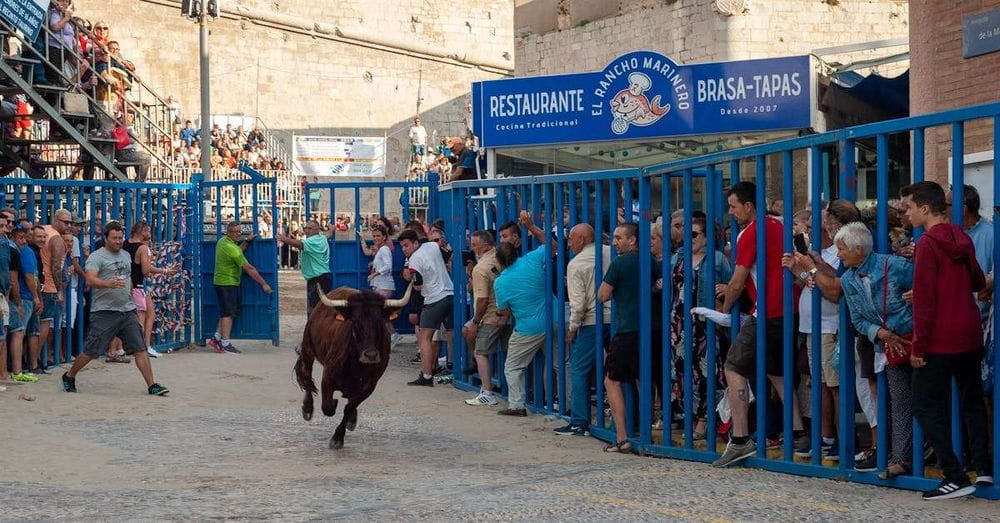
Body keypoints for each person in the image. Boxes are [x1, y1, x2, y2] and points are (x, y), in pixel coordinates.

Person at [901, 181, 993, 499]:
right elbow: (979, 281)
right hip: (970, 332)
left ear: (925, 208)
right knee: (971, 402)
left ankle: (954, 475)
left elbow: (925, 301)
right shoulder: (961, 237)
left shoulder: (927, 243)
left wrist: (918, 346)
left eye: (909, 207)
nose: (906, 214)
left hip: (940, 337)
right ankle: (984, 470)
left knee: (925, 405)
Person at [712, 182, 806, 467]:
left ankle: (740, 439)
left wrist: (725, 307)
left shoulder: (750, 233)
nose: (731, 212)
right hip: (791, 308)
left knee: (734, 366)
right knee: (777, 370)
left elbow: (738, 279)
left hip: (766, 310)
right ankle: (798, 432)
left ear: (748, 206)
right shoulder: (779, 225)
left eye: (733, 206)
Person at [836, 222, 915, 480]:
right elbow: (858, 320)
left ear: (858, 249)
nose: (839, 255)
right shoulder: (848, 279)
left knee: (929, 400)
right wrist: (880, 334)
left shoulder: (895, 266)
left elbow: (923, 293)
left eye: (842, 249)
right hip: (888, 346)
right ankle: (901, 459)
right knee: (899, 402)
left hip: (917, 341)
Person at [61, 221, 168, 396]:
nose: (118, 241)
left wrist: (130, 291)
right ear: (106, 238)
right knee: (91, 351)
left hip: (127, 309)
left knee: (140, 348)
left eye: (120, 238)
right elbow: (90, 280)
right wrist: (107, 284)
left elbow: (128, 277)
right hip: (104, 311)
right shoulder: (97, 257)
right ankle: (70, 375)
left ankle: (152, 385)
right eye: (114, 238)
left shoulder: (126, 255)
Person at [667, 217, 732, 440]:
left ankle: (704, 421)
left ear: (706, 237)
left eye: (694, 234)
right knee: (682, 370)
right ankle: (689, 416)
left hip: (705, 323)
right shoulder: (677, 257)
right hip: (679, 323)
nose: (689, 239)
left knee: (708, 371)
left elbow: (730, 286)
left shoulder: (717, 259)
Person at [553, 223, 611, 435]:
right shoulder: (610, 252)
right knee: (617, 370)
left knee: (578, 370)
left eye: (570, 239)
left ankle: (579, 421)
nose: (568, 244)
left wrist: (572, 326)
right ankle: (625, 419)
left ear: (582, 239)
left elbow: (578, 302)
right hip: (615, 318)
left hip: (591, 320)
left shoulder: (576, 263)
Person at [492, 240, 549, 416]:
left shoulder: (501, 282)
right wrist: (531, 226)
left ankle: (517, 405)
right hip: (553, 319)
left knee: (513, 367)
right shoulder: (531, 259)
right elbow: (550, 244)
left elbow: (503, 310)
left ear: (499, 261)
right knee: (560, 364)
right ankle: (566, 405)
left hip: (527, 328)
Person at [399, 229, 454, 386]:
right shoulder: (431, 246)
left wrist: (410, 277)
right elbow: (445, 252)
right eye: (402, 246)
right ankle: (455, 368)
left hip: (434, 298)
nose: (404, 249)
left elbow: (418, 287)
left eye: (406, 245)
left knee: (424, 338)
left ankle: (427, 375)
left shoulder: (414, 261)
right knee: (452, 333)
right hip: (450, 292)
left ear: (416, 243)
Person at [208, 222, 273, 354]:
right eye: (235, 232)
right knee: (228, 314)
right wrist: (263, 284)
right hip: (227, 283)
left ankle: (216, 338)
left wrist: (247, 242)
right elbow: (249, 268)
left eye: (240, 231)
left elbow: (238, 252)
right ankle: (225, 343)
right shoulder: (232, 248)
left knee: (226, 312)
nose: (238, 234)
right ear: (229, 232)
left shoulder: (223, 242)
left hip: (222, 282)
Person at [463, 230, 511, 406]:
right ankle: (512, 392)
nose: (472, 248)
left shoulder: (480, 268)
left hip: (490, 316)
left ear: (485, 245)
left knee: (480, 352)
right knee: (508, 354)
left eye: (475, 245)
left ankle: (487, 391)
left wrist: (476, 321)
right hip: (508, 313)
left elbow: (482, 300)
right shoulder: (500, 259)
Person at [124, 221, 176, 358]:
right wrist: (164, 270)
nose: (150, 234)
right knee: (142, 317)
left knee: (147, 313)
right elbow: (146, 270)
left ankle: (142, 345)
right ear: (143, 232)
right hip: (139, 285)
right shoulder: (142, 248)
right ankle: (142, 347)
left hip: (126, 285)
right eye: (148, 231)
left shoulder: (124, 244)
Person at [38, 209, 71, 370]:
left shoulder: (44, 230)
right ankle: (35, 359)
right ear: (56, 220)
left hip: (39, 282)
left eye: (70, 222)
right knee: (45, 324)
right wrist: (59, 289)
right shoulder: (57, 238)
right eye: (66, 222)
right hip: (49, 285)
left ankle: (33, 358)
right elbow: (56, 267)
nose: (69, 225)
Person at [7, 225, 39, 383]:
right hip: (23, 297)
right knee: (19, 332)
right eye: (21, 237)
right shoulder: (21, 252)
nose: (24, 240)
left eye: (25, 237)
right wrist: (32, 297)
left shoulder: (19, 250)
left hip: (20, 297)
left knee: (21, 333)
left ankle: (19, 369)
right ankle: (17, 370)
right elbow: (27, 277)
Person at [278, 220, 331, 315]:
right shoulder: (322, 238)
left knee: (314, 309)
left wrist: (285, 239)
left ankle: (315, 329)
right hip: (322, 277)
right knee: (320, 307)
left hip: (317, 279)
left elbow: (299, 244)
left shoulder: (311, 241)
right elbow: (329, 234)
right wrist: (332, 229)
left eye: (309, 228)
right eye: (305, 228)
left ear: (317, 230)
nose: (307, 230)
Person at [360, 225, 395, 298]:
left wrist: (374, 274)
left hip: (383, 287)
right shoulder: (381, 249)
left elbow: (388, 266)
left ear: (384, 237)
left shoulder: (384, 249)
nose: (375, 238)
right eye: (374, 236)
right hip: (381, 286)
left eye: (378, 236)